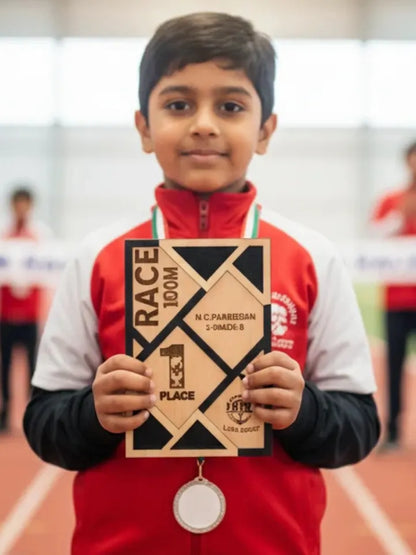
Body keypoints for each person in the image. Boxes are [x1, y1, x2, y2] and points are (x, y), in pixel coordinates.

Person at [23, 13, 380, 555]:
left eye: (231, 106)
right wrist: (91, 414)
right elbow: (44, 420)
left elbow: (359, 424)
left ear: (265, 130)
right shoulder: (99, 259)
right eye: (178, 104)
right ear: (144, 126)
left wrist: (304, 411)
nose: (204, 124)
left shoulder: (311, 258)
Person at [370, 140, 416, 451]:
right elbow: (374, 237)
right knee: (395, 366)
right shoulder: (392, 200)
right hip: (397, 299)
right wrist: (400, 217)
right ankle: (394, 432)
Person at [0, 187, 51, 432]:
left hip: (30, 315)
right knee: (5, 368)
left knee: (33, 368)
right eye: (17, 203)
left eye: (24, 204)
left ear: (30, 206)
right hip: (6, 315)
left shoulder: (40, 237)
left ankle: (34, 416)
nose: (21, 208)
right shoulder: (3, 236)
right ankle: (5, 413)